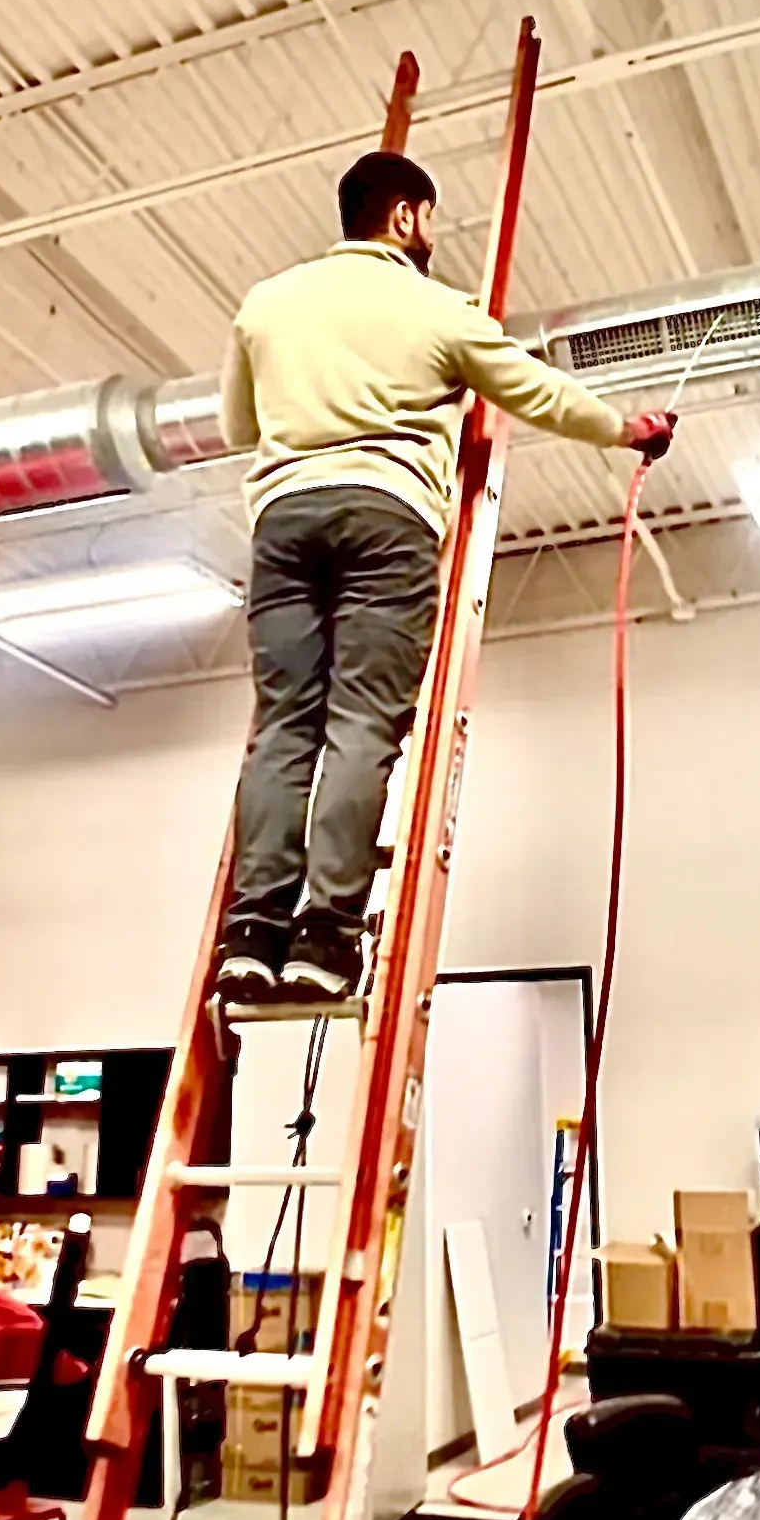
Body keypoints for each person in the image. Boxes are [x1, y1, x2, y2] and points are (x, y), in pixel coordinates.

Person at [215, 149, 675, 1013]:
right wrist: (627, 429)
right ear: (404, 216)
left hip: (282, 522)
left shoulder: (265, 303)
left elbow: (241, 425)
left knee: (283, 727)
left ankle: (251, 932)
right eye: (428, 216)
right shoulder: (440, 310)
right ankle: (323, 937)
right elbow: (538, 393)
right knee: (360, 723)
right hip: (385, 519)